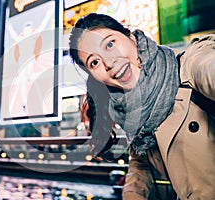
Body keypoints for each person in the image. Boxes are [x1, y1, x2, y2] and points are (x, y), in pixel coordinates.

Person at [68, 13, 215, 199]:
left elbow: (208, 69)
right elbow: (141, 164)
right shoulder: (130, 114)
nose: (109, 63)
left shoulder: (190, 66)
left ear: (131, 37)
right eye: (95, 62)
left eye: (110, 44)